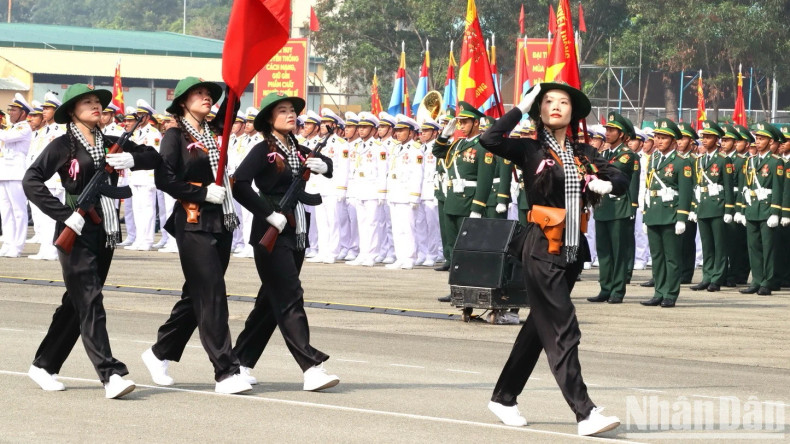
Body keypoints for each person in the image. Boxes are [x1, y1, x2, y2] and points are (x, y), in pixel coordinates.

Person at [478, 82, 623, 436]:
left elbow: (620, 175)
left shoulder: (586, 152)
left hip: (572, 249)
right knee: (562, 327)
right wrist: (518, 107)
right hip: (542, 245)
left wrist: (608, 185)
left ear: (574, 113)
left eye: (563, 102)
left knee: (538, 329)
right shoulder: (529, 150)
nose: (556, 106)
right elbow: (490, 139)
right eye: (547, 101)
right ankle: (585, 412)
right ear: (538, 110)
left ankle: (504, 396)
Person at [23, 83, 160, 398]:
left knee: (77, 303)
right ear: (72, 111)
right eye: (87, 102)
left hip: (105, 229)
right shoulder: (62, 145)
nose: (96, 106)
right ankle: (111, 374)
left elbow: (152, 155)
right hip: (76, 226)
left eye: (98, 102)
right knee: (91, 300)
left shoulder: (113, 142)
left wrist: (131, 160)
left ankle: (44, 365)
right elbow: (31, 180)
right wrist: (62, 214)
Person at [140, 77, 252, 394]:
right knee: (213, 293)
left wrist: (238, 78)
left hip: (221, 219)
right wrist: (201, 194)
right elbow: (165, 179)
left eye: (209, 94)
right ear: (182, 102)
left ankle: (159, 352)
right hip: (193, 220)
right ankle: (226, 371)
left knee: (197, 295)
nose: (206, 98)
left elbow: (231, 110)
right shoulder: (175, 136)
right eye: (199, 94)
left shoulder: (213, 132)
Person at [230, 92, 339, 391]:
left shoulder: (298, 149)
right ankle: (311, 366)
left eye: (292, 110)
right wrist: (267, 213)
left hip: (296, 230)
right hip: (271, 231)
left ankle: (239, 362)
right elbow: (238, 183)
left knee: (270, 302)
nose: (291, 115)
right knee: (290, 295)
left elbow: (327, 164)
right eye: (283, 111)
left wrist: (323, 166)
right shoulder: (262, 150)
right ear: (269, 119)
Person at [587, 112, 639, 304]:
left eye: (612, 130)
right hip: (603, 207)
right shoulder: (604, 154)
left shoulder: (627, 155)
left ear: (622, 133)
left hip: (618, 208)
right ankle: (605, 287)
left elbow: (610, 171)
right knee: (604, 251)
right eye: (607, 129)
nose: (607, 133)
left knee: (618, 251)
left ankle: (617, 289)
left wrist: (592, 165)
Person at [641, 118, 693, 307]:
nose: (659, 141)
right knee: (657, 256)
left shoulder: (682, 162)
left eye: (663, 137)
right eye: (657, 137)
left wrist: (682, 218)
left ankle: (670, 293)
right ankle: (659, 291)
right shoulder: (653, 159)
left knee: (671, 257)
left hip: (671, 214)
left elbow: (686, 192)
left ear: (673, 141)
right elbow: (648, 188)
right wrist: (646, 215)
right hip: (654, 212)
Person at [736, 122, 783, 295]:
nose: (758, 141)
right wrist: (741, 210)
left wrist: (776, 211)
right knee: (753, 246)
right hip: (752, 208)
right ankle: (756, 280)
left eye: (762, 138)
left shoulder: (775, 162)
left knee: (768, 247)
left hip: (766, 208)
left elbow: (779, 188)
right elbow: (745, 187)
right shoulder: (750, 161)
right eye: (757, 138)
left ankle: (767, 281)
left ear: (770, 142)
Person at [689, 120, 734, 292]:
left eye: (709, 137)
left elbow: (729, 187)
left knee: (719, 244)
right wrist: (694, 208)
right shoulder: (698, 160)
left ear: (717, 139)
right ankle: (707, 276)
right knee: (707, 244)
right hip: (703, 206)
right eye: (703, 137)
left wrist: (729, 209)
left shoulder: (724, 159)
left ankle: (717, 278)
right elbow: (695, 186)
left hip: (718, 206)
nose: (705, 140)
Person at [0, 93, 33, 258]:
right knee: (5, 211)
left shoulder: (24, 127)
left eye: (14, 110)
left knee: (18, 211)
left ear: (23, 113)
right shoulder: (10, 128)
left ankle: (18, 245)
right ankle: (8, 242)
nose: (10, 113)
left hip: (17, 174)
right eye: (10, 110)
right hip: (4, 173)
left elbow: (6, 138)